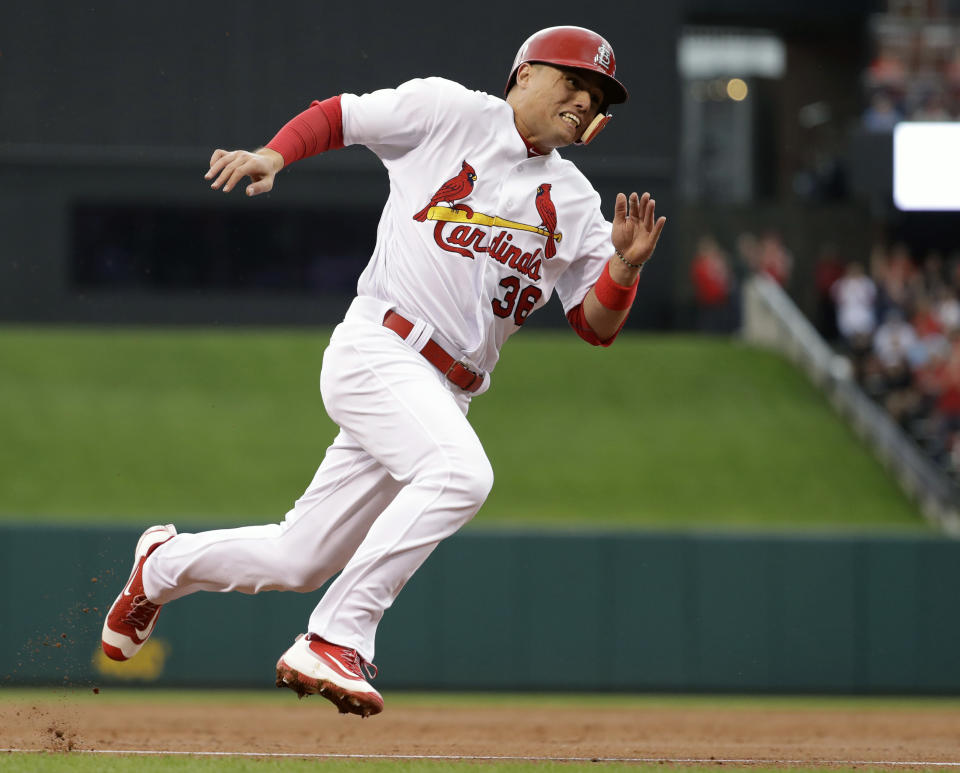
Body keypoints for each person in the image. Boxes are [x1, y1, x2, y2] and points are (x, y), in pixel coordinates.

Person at [100, 26, 665, 718]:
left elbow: (594, 324)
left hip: (445, 393)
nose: (584, 100)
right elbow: (341, 115)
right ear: (523, 75)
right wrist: (276, 153)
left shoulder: (575, 203)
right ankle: (336, 635)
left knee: (297, 558)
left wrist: (625, 269)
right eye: (573, 81)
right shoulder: (446, 112)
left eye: (598, 96)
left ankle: (158, 567)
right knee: (462, 474)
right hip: (381, 348)